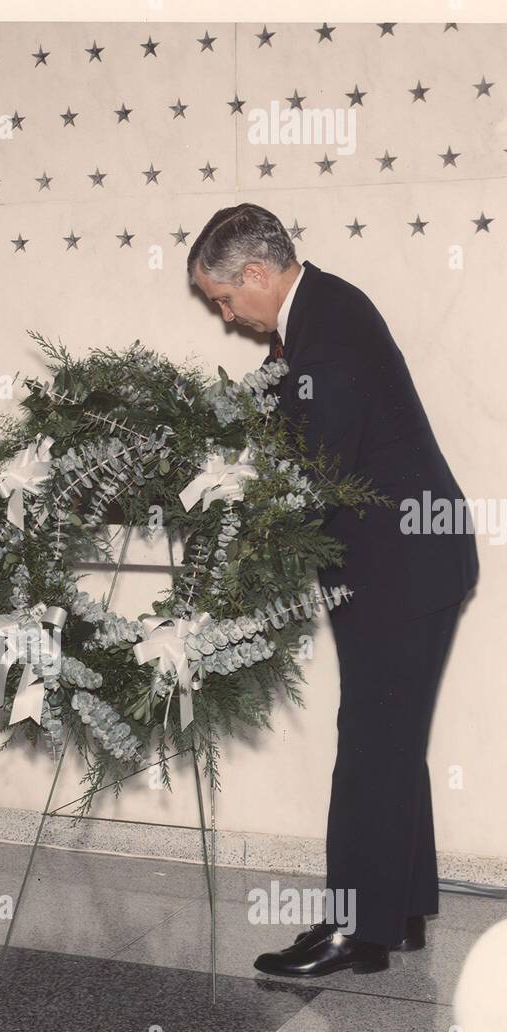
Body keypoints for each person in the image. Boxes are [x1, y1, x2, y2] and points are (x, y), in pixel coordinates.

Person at [188, 204, 479, 977]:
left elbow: (312, 469)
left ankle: (358, 930)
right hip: (403, 561)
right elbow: (281, 431)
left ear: (255, 274)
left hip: (403, 566)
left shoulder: (329, 326)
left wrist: (236, 532)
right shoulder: (315, 319)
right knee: (391, 737)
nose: (227, 316)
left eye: (223, 299)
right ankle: (401, 912)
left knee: (371, 743)